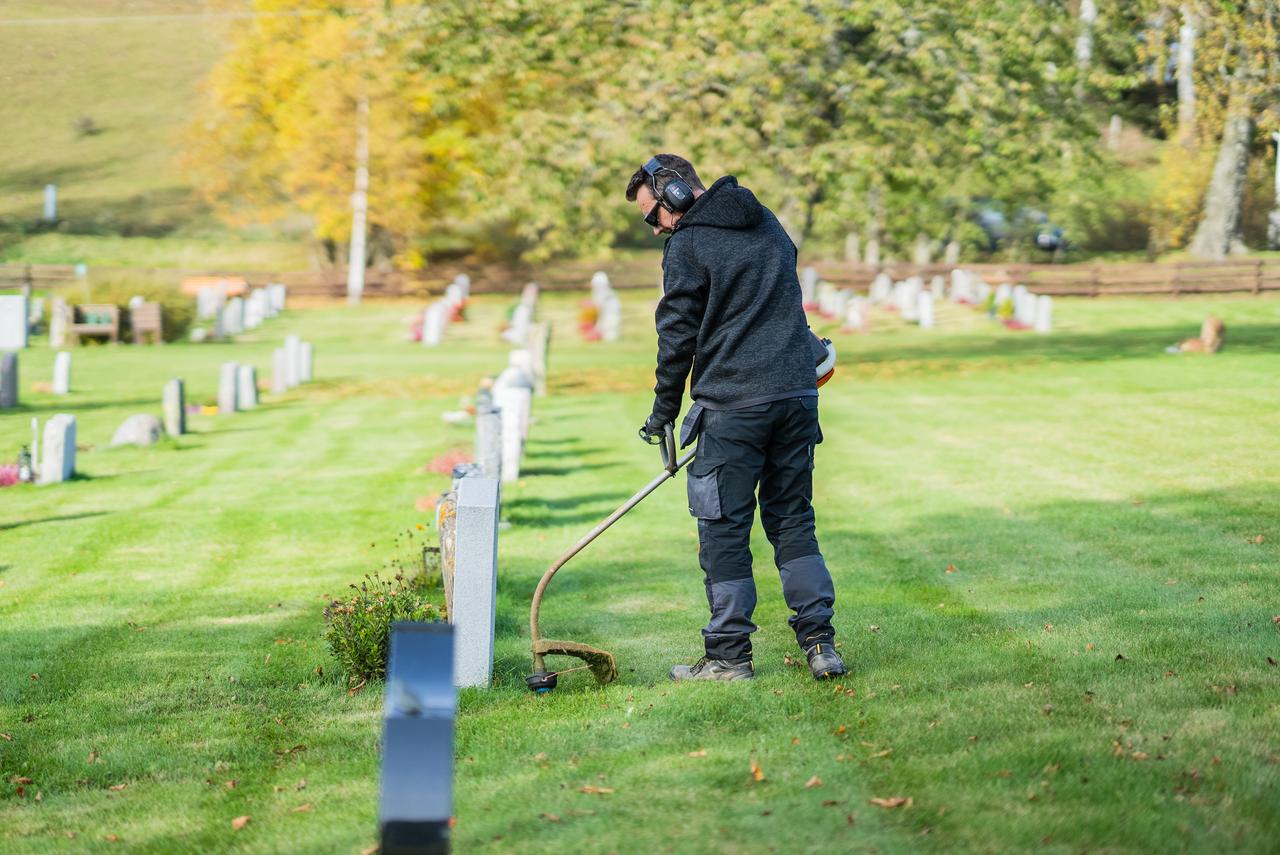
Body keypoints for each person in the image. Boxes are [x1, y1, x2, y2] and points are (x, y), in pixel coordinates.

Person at [626, 154, 846, 682]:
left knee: (722, 529)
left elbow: (676, 334)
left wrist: (662, 411)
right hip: (796, 396)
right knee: (792, 519)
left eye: (652, 214)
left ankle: (728, 657)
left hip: (733, 407)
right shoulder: (766, 218)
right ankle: (820, 644)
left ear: (676, 193)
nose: (654, 227)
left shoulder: (689, 243)